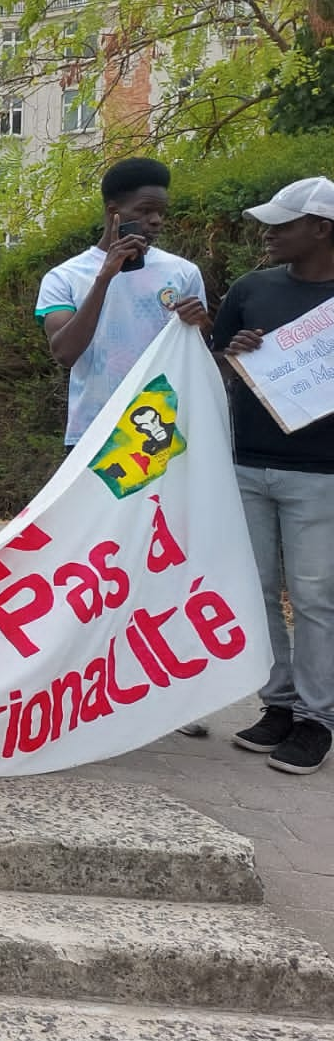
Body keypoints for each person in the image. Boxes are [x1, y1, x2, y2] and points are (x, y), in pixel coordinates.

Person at [214, 176, 334, 776]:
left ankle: (319, 721)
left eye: (283, 224)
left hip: (323, 474)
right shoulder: (251, 288)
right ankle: (277, 705)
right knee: (257, 590)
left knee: (315, 598)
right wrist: (232, 350)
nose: (269, 233)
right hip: (249, 463)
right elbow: (217, 362)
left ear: (321, 228)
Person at [38, 157, 210, 447]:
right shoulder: (64, 276)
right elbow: (65, 353)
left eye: (160, 212)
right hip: (94, 433)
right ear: (113, 212)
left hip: (164, 430)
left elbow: (200, 350)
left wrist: (201, 323)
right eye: (144, 211)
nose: (156, 220)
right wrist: (104, 278)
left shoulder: (183, 272)